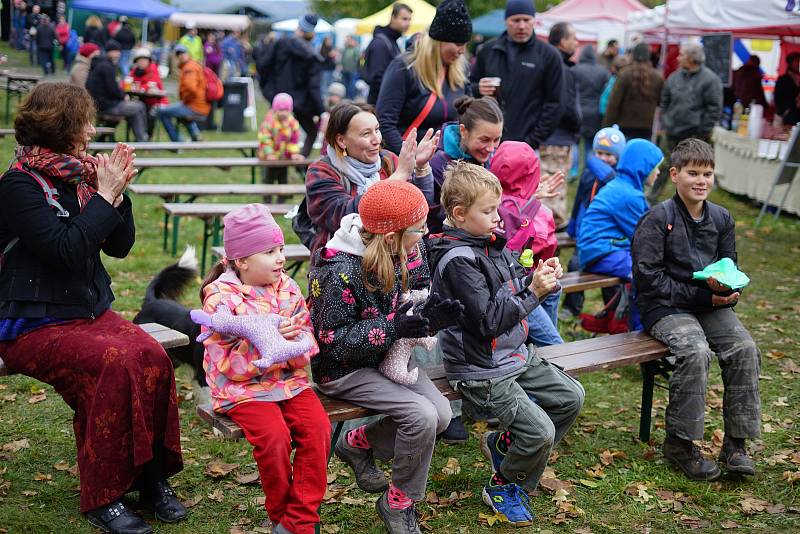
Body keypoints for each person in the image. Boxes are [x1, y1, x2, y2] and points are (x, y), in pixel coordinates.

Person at [0, 82, 186, 534]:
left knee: (153, 357)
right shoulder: (19, 186)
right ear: (60, 125)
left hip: (87, 313)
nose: (91, 128)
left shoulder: (83, 177)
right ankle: (105, 496)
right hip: (31, 322)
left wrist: (116, 194)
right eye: (84, 120)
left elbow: (120, 247)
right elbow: (64, 250)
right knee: (114, 364)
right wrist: (103, 196)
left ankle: (150, 475)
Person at [428, 161, 584, 527]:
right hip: (482, 368)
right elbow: (487, 322)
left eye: (497, 208)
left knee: (570, 398)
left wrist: (538, 278)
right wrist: (534, 293)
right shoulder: (458, 261)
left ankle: (506, 446)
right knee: (541, 432)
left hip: (513, 354)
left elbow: (510, 289)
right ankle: (502, 485)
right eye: (489, 210)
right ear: (459, 214)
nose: (498, 217)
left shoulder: (488, 243)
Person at [309, 180, 462, 534]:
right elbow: (331, 341)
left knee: (439, 415)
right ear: (391, 237)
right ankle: (398, 503)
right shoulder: (340, 272)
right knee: (422, 417)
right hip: (344, 370)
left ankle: (357, 443)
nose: (425, 233)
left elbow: (418, 289)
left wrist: (428, 316)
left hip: (390, 357)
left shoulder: (411, 249)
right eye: (418, 228)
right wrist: (396, 326)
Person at [632, 138, 760, 482]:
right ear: (675, 175)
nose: (701, 180)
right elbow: (648, 280)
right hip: (665, 307)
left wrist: (729, 289)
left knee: (745, 348)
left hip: (709, 305)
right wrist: (706, 299)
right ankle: (680, 442)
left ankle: (736, 444)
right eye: (693, 173)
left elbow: (730, 267)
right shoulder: (657, 219)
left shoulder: (721, 218)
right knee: (695, 349)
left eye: (707, 173)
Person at [197, 204, 330, 534]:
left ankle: (298, 519)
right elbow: (224, 364)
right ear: (241, 261)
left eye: (281, 249)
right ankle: (280, 513)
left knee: (318, 430)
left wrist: (290, 347)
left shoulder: (289, 288)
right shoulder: (220, 299)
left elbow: (306, 341)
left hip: (290, 383)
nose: (281, 258)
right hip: (242, 390)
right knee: (274, 439)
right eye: (270, 252)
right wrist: (264, 346)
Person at [304, 101, 438, 256]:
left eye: (377, 130)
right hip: (343, 267)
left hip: (392, 260)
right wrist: (399, 176)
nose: (377, 140)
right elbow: (341, 216)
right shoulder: (321, 171)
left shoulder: (388, 160)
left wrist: (420, 167)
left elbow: (419, 209)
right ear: (341, 141)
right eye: (366, 134)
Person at [577, 139, 663, 330]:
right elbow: (643, 236)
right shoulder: (627, 195)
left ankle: (612, 316)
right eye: (655, 168)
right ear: (643, 168)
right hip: (601, 252)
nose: (658, 173)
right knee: (644, 273)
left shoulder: (625, 187)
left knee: (643, 268)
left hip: (605, 249)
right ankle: (637, 328)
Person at [489, 141, 562, 347]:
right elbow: (546, 250)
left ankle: (536, 340)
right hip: (523, 286)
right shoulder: (539, 213)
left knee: (554, 288)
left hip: (498, 284)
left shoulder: (486, 203)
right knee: (555, 344)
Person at [376, 0, 473, 154]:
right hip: (410, 164)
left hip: (446, 163)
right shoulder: (404, 67)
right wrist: (412, 161)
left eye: (465, 43)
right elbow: (385, 123)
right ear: (439, 42)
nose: (462, 50)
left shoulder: (460, 69)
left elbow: (469, 114)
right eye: (458, 43)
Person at [471, 0, 564, 150]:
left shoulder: (549, 55)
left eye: (526, 20)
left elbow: (555, 104)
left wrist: (531, 141)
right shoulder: (488, 51)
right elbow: (467, 89)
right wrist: (477, 88)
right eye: (515, 20)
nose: (521, 26)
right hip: (489, 145)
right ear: (506, 21)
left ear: (534, 21)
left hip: (526, 146)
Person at [563, 125, 626, 317]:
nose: (603, 158)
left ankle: (612, 310)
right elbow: (578, 201)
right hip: (583, 236)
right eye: (599, 153)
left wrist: (594, 161)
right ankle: (572, 306)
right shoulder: (589, 173)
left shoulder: (618, 178)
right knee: (574, 266)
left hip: (607, 241)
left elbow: (608, 178)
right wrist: (573, 227)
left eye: (609, 154)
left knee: (610, 279)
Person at [651, 42, 722, 203]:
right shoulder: (675, 76)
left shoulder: (710, 80)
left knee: (691, 171)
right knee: (663, 165)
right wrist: (666, 119)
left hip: (694, 134)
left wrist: (702, 131)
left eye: (682, 54)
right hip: (671, 131)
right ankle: (651, 198)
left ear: (691, 58)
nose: (678, 57)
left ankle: (688, 203)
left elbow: (714, 108)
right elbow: (665, 99)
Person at [428, 95, 503, 234]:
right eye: (484, 139)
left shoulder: (485, 156)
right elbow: (438, 218)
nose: (491, 148)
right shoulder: (439, 164)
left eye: (497, 139)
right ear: (463, 131)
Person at [538, 22, 580, 230]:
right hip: (558, 136)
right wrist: (577, 125)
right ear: (562, 41)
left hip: (546, 136)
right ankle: (550, 229)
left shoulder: (544, 62)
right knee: (554, 184)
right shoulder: (562, 68)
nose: (577, 42)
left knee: (546, 182)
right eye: (573, 37)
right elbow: (567, 106)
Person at [268, 14, 325, 157]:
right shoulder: (312, 54)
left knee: (276, 130)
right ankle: (300, 160)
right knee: (311, 131)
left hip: (281, 98)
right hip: (302, 101)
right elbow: (314, 84)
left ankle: (280, 164)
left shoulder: (282, 44)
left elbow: (266, 64)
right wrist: (321, 109)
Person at [85, 40, 149, 142]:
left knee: (135, 108)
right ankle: (142, 140)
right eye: (116, 51)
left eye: (119, 51)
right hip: (107, 106)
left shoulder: (99, 64)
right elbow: (113, 89)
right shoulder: (106, 66)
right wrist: (123, 96)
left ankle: (141, 139)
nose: (118, 53)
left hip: (97, 104)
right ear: (109, 52)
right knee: (139, 106)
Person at [604, 42, 664, 141]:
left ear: (633, 55)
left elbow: (614, 103)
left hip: (625, 127)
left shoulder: (624, 74)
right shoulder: (657, 77)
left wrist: (607, 127)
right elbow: (661, 102)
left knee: (626, 155)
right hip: (646, 127)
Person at [157, 44, 210, 142]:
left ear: (188, 54)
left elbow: (191, 89)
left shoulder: (189, 68)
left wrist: (184, 100)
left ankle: (178, 142)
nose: (181, 55)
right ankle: (196, 136)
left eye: (183, 53)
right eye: (178, 54)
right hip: (199, 104)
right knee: (179, 112)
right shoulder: (191, 65)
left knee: (162, 112)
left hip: (195, 106)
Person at [363, 3, 413, 105]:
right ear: (393, 18)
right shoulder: (381, 43)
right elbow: (377, 78)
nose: (408, 23)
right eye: (404, 19)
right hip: (379, 104)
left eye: (409, 19)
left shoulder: (391, 41)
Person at [258, 92, 305, 189]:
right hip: (269, 158)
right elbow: (265, 139)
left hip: (283, 157)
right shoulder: (269, 122)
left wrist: (293, 153)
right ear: (275, 109)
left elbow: (293, 140)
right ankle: (267, 199)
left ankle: (282, 200)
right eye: (280, 110)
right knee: (268, 179)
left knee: (283, 179)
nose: (283, 113)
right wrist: (269, 153)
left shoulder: (292, 123)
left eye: (286, 110)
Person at [573, 45, 610, 164]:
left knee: (574, 143)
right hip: (595, 112)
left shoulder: (574, 70)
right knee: (591, 144)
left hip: (576, 110)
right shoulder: (603, 72)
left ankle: (573, 171)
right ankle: (589, 168)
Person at [129, 47, 169, 138]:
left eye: (144, 60)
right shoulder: (134, 71)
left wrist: (142, 87)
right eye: (140, 60)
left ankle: (148, 137)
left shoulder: (153, 70)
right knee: (136, 111)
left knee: (151, 115)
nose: (142, 62)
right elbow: (127, 81)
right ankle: (140, 136)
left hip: (157, 101)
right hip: (143, 100)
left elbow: (153, 83)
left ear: (149, 61)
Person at [599, 54, 630, 119]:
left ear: (614, 68)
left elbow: (603, 102)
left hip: (610, 117)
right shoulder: (630, 82)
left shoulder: (612, 81)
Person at [774, 52, 800, 126]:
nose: (798, 64)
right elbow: (778, 99)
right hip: (787, 116)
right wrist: (794, 104)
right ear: (790, 63)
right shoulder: (783, 79)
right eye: (797, 61)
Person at [340, 34, 361, 99]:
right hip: (345, 70)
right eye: (347, 40)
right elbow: (342, 58)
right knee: (345, 86)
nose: (347, 41)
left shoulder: (356, 49)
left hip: (353, 71)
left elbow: (361, 60)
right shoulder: (346, 49)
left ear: (353, 40)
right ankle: (346, 98)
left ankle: (350, 99)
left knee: (351, 86)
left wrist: (360, 68)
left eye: (349, 40)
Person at [319, 36, 338, 100]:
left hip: (332, 69)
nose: (330, 42)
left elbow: (334, 59)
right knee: (324, 83)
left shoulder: (331, 48)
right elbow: (322, 59)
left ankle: (329, 96)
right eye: (328, 40)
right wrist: (329, 55)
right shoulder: (322, 48)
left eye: (330, 40)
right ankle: (324, 97)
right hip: (325, 69)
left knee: (330, 83)